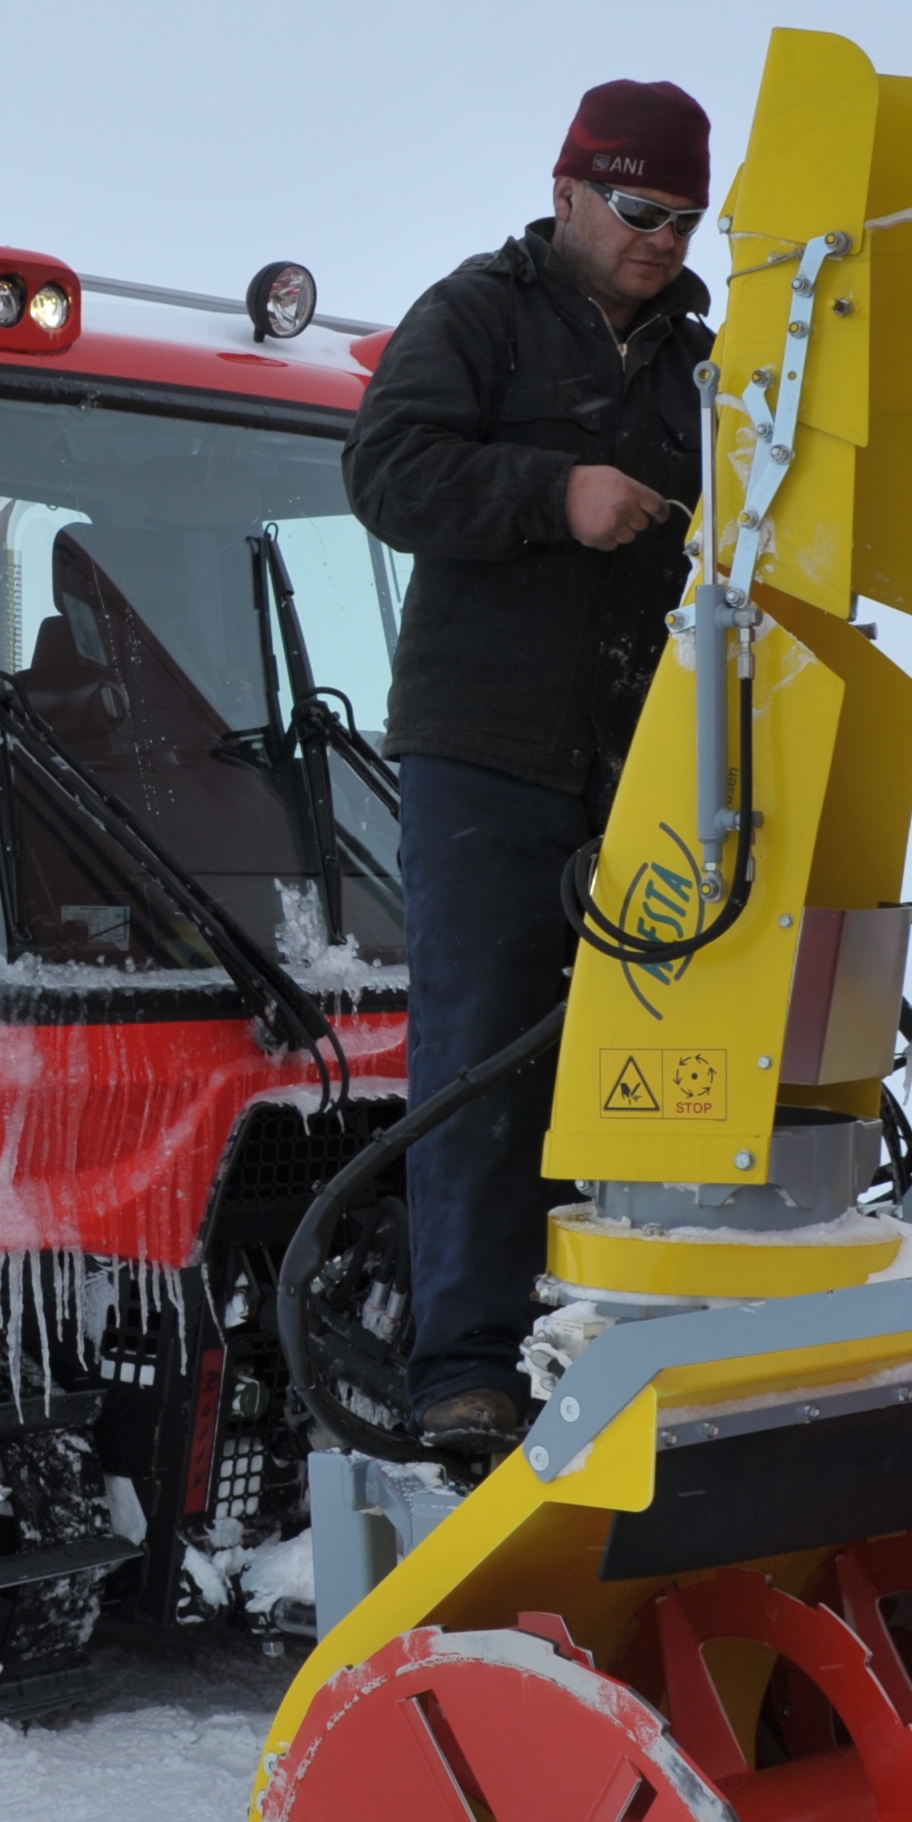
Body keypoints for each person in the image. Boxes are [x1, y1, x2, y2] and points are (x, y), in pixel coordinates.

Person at [341, 79, 714, 1452]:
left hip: (640, 765)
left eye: (686, 216)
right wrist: (559, 495)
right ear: (569, 191)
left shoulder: (701, 364)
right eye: (639, 209)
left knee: (644, 1052)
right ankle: (462, 1368)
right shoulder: (476, 316)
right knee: (485, 1052)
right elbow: (385, 472)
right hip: (483, 754)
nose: (664, 238)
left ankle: (617, 1317)